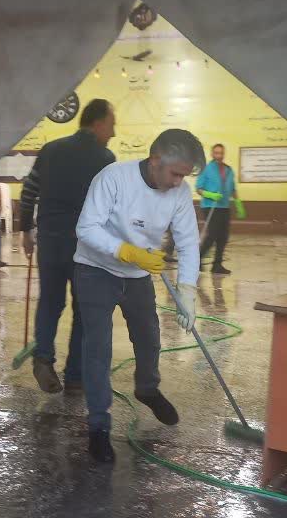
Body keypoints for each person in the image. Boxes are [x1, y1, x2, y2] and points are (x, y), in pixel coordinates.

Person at [73, 129, 203, 463]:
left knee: (148, 338)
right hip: (95, 271)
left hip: (138, 276)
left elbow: (188, 242)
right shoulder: (114, 178)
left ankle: (147, 388)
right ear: (155, 160)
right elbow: (86, 228)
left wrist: (188, 290)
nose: (179, 182)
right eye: (175, 173)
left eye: (184, 176)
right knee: (98, 348)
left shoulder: (179, 192)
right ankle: (98, 426)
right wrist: (128, 251)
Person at [18, 99, 117, 395]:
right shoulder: (106, 159)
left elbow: (28, 191)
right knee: (84, 309)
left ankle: (43, 359)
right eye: (111, 125)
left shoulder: (51, 150)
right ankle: (75, 376)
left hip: (50, 240)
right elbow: (113, 208)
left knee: (50, 301)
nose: (113, 132)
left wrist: (26, 230)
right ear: (98, 123)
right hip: (86, 246)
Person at [194, 143, 244, 275]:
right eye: (216, 153)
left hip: (224, 207)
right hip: (210, 206)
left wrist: (238, 203)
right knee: (212, 235)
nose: (219, 156)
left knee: (223, 237)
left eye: (221, 153)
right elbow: (198, 189)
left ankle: (217, 265)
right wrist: (210, 195)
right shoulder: (206, 169)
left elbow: (233, 189)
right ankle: (196, 260)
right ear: (212, 154)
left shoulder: (229, 170)